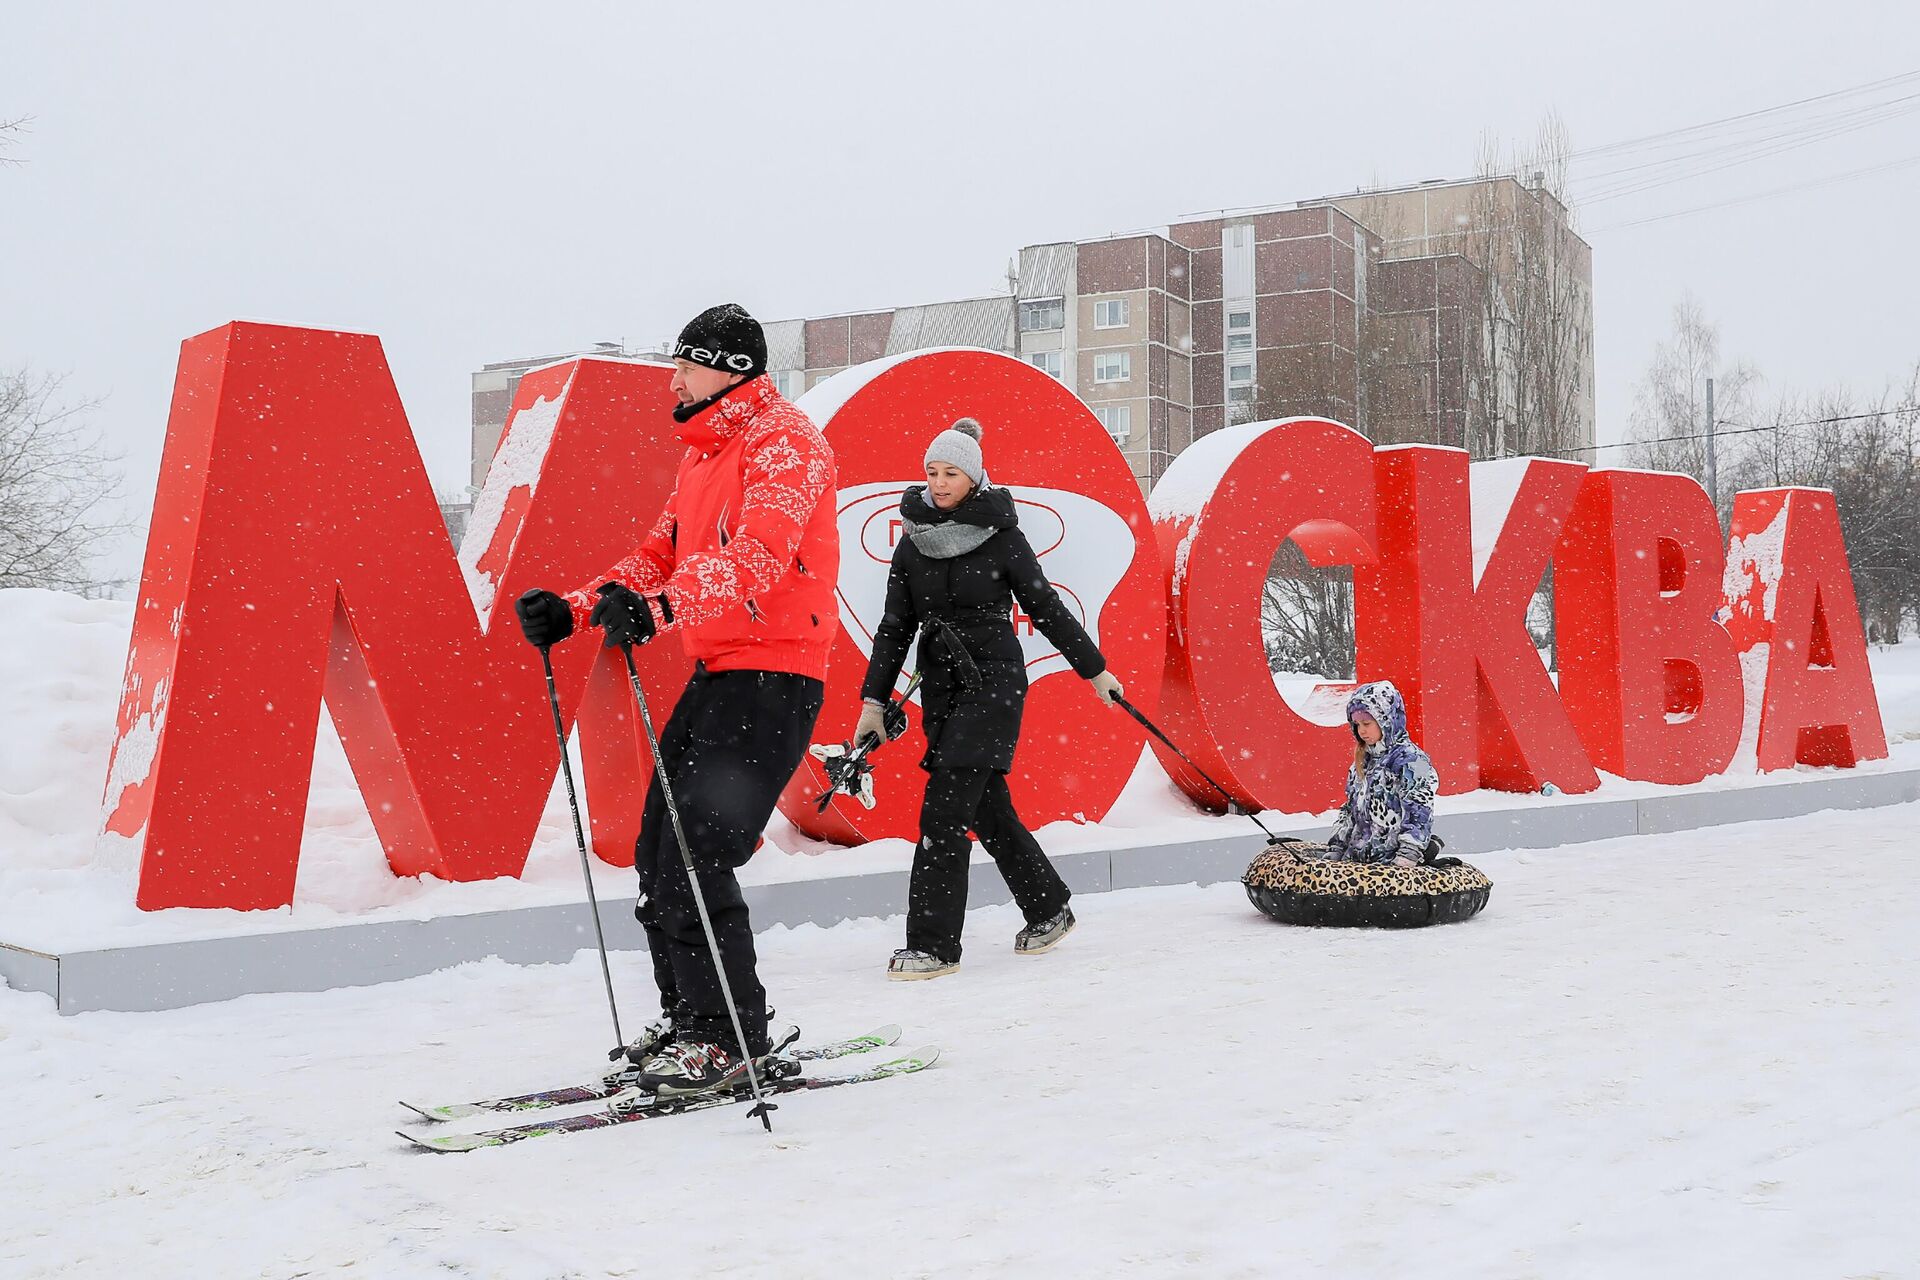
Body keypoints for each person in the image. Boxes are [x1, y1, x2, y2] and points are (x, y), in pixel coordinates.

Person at [514, 303, 838, 1095]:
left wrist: (656, 611)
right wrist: (579, 606)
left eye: (687, 365)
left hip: (777, 673)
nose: (675, 378)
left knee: (697, 851)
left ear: (730, 370)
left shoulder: (786, 442)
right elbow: (659, 555)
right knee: (659, 848)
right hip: (722, 670)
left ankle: (731, 1036)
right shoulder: (704, 454)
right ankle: (690, 1020)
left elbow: (761, 556)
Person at [857, 417, 1123, 981]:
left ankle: (932, 946)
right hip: (942, 689)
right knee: (988, 810)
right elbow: (893, 627)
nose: (939, 482)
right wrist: (873, 704)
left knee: (943, 814)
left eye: (951, 472)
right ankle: (1048, 907)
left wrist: (1094, 670)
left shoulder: (1003, 536)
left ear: (974, 477)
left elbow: (1046, 607)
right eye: (932, 472)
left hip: (995, 684)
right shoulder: (913, 543)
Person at [1323, 681, 1440, 867]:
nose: (1361, 730)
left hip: (1392, 864)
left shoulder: (1413, 760)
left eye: (1367, 723)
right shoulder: (1363, 762)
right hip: (1358, 863)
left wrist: (1408, 855)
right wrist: (1337, 847)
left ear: (1387, 720)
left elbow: (1420, 808)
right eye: (1357, 724)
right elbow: (1350, 811)